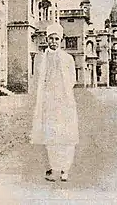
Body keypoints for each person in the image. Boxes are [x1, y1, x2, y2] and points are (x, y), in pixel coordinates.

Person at [30, 23, 79, 182]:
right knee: (48, 134)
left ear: (61, 40)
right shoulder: (40, 58)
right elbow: (39, 80)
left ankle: (65, 169)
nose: (53, 42)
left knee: (65, 134)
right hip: (47, 102)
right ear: (46, 39)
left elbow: (72, 79)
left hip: (64, 101)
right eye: (51, 38)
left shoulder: (68, 58)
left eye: (56, 39)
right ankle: (51, 169)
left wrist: (62, 94)